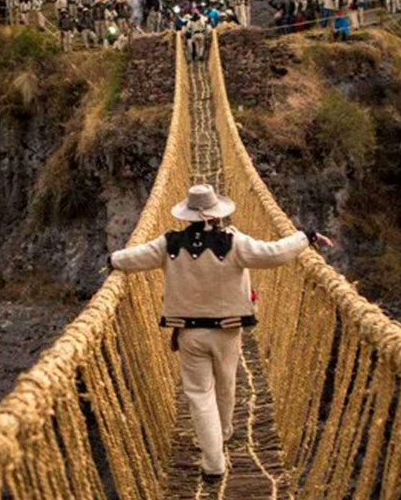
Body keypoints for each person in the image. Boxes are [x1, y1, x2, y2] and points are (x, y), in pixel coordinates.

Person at [107, 185, 333, 482]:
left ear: (187, 215)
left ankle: (213, 464)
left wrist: (112, 262)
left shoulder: (169, 244)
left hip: (188, 333)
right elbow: (275, 253)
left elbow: (133, 258)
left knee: (199, 394)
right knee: (226, 384)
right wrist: (307, 236)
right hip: (227, 331)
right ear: (217, 215)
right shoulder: (234, 242)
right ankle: (223, 433)